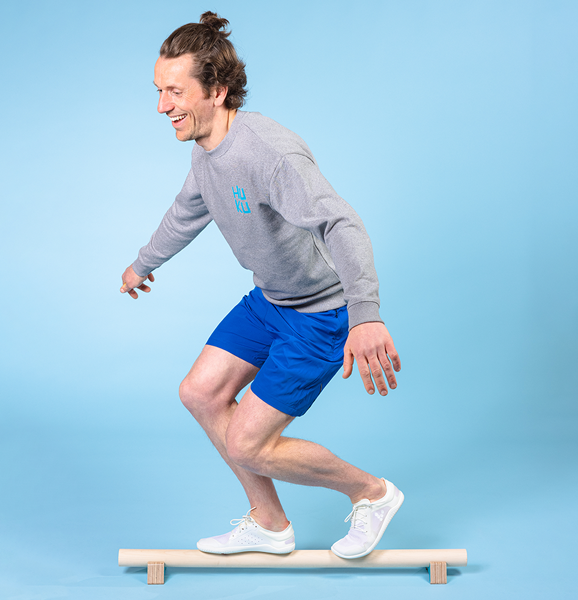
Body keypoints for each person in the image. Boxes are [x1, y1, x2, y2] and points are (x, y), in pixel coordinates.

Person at [120, 11, 403, 560]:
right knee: (199, 393)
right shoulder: (207, 151)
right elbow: (187, 211)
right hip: (271, 300)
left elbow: (339, 223)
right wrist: (143, 263)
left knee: (248, 443)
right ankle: (270, 524)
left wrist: (366, 315)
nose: (162, 107)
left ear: (218, 90)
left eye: (175, 92)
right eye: (159, 91)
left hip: (322, 314)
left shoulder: (269, 152)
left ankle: (373, 493)